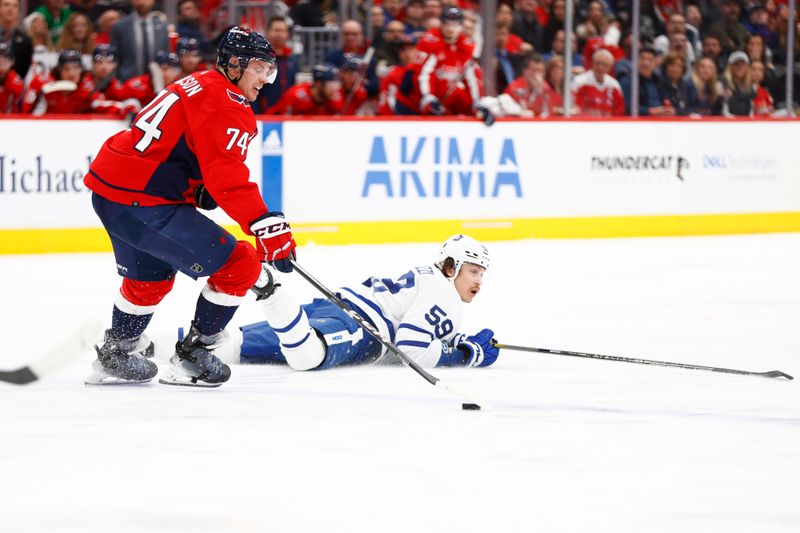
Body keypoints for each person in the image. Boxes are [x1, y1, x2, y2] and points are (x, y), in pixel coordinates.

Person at [82, 26, 297, 387]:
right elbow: (227, 177)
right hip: (144, 200)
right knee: (240, 264)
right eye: (258, 67)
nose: (265, 78)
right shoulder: (228, 103)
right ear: (234, 64)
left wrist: (194, 185)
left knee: (148, 278)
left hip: (111, 193)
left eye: (268, 69)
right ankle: (193, 357)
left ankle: (117, 351)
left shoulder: (198, 82)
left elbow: (178, 147)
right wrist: (265, 223)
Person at [220, 235, 500, 371]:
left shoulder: (429, 278)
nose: (479, 281)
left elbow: (417, 326)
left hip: (333, 306)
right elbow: (411, 349)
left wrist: (457, 340)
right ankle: (271, 290)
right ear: (452, 268)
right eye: (474, 271)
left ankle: (182, 344)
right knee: (306, 356)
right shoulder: (445, 293)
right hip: (360, 327)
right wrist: (464, 356)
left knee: (227, 346)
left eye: (482, 274)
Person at [416, 7, 494, 125]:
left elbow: (471, 77)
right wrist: (428, 97)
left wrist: (477, 103)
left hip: (449, 96)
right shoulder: (431, 40)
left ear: (461, 26)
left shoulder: (465, 45)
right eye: (447, 23)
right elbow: (423, 74)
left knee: (459, 91)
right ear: (441, 24)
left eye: (456, 24)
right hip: (427, 96)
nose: (451, 28)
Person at [21, 48, 138, 115]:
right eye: (66, 69)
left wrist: (124, 107)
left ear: (81, 69)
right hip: (41, 129)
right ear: (59, 69)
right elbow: (24, 109)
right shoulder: (42, 81)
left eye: (76, 68)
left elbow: (100, 104)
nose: (71, 73)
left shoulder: (85, 86)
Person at [111, 0, 169, 81]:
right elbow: (115, 58)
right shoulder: (120, 26)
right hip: (127, 83)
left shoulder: (162, 27)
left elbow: (165, 56)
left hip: (157, 84)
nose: (142, 2)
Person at [252, 16, 297, 114]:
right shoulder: (259, 59)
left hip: (286, 116)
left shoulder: (292, 59)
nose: (280, 34)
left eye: (283, 31)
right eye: (277, 30)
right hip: (264, 115)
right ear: (268, 32)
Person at [267, 62, 344, 115]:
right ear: (318, 83)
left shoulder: (337, 97)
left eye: (337, 82)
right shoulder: (295, 95)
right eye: (331, 82)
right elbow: (280, 121)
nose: (336, 87)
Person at [620, 46, 673, 116]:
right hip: (641, 121)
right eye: (642, 59)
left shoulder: (660, 81)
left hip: (661, 119)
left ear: (655, 63)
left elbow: (668, 100)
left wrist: (670, 110)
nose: (646, 63)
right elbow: (628, 106)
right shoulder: (628, 80)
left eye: (650, 60)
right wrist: (650, 111)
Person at [571, 48, 624, 116]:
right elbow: (573, 106)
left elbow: (619, 110)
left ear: (610, 67)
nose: (600, 67)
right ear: (592, 63)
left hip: (608, 125)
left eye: (604, 64)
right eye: (598, 63)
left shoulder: (614, 85)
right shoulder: (579, 81)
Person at [1, 0, 32, 78]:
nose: (10, 9)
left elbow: (23, 72)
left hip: (13, 86)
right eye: (6, 5)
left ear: (18, 12)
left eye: (15, 6)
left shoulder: (25, 41)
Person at [722, 50, 755, 116]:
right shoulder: (723, 82)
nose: (739, 67)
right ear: (730, 67)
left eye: (742, 65)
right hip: (728, 121)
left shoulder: (750, 86)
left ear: (747, 67)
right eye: (736, 64)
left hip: (746, 121)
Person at [0, 40, 23, 112]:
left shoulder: (16, 82)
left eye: (6, 59)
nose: (2, 63)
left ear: (12, 62)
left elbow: (17, 112)